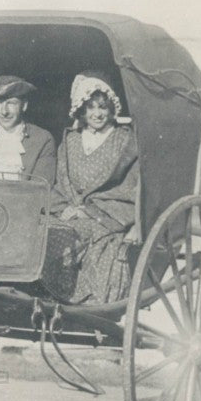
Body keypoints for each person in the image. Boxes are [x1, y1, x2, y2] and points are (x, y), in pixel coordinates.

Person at [51, 71, 139, 304]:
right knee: (44, 232)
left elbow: (129, 186)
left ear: (112, 108)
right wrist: (64, 209)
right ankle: (44, 293)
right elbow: (61, 181)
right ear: (81, 109)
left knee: (71, 237)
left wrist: (88, 211)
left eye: (103, 107)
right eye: (90, 107)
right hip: (70, 210)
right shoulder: (71, 140)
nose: (97, 114)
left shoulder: (125, 140)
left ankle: (81, 300)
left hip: (106, 216)